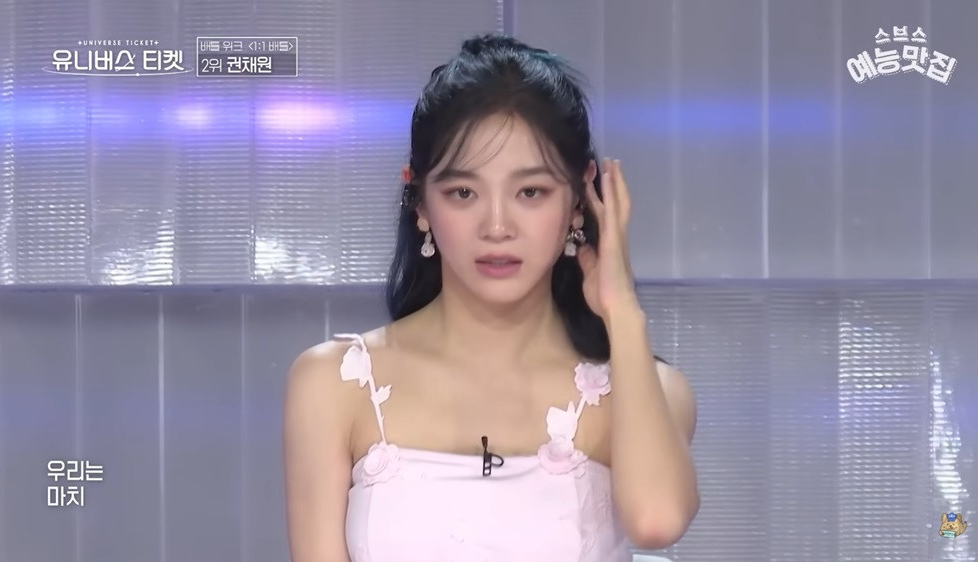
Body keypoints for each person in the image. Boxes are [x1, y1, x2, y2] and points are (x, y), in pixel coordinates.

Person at [283, 33, 699, 562]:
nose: (497, 227)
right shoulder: (332, 383)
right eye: (463, 193)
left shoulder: (647, 390)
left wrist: (623, 314)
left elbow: (657, 521)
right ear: (420, 201)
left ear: (579, 198)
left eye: (531, 192)